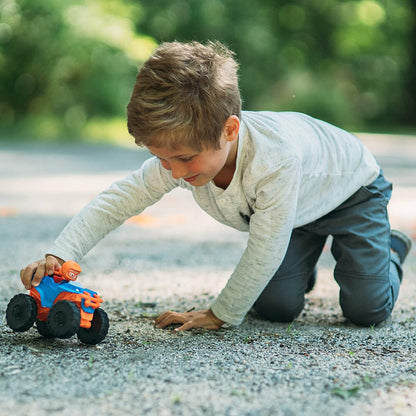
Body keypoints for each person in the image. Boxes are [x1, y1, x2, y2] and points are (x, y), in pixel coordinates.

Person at [20, 41, 412, 331]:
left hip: (350, 192)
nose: (173, 173)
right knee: (275, 306)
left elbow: (264, 248)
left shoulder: (274, 161)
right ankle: (301, 263)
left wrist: (220, 314)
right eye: (163, 160)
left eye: (185, 159)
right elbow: (117, 201)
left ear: (229, 130)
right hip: (293, 213)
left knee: (366, 309)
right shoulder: (183, 155)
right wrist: (60, 253)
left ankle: (390, 247)